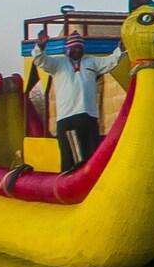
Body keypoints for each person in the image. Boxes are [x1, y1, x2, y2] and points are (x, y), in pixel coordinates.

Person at [30, 28, 124, 173]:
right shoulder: (59, 63)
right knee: (71, 158)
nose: (77, 50)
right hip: (68, 118)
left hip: (89, 117)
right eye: (74, 47)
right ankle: (67, 185)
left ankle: (90, 185)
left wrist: (120, 49)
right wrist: (40, 46)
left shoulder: (90, 61)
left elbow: (110, 61)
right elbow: (40, 60)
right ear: (68, 49)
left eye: (79, 47)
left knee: (90, 155)